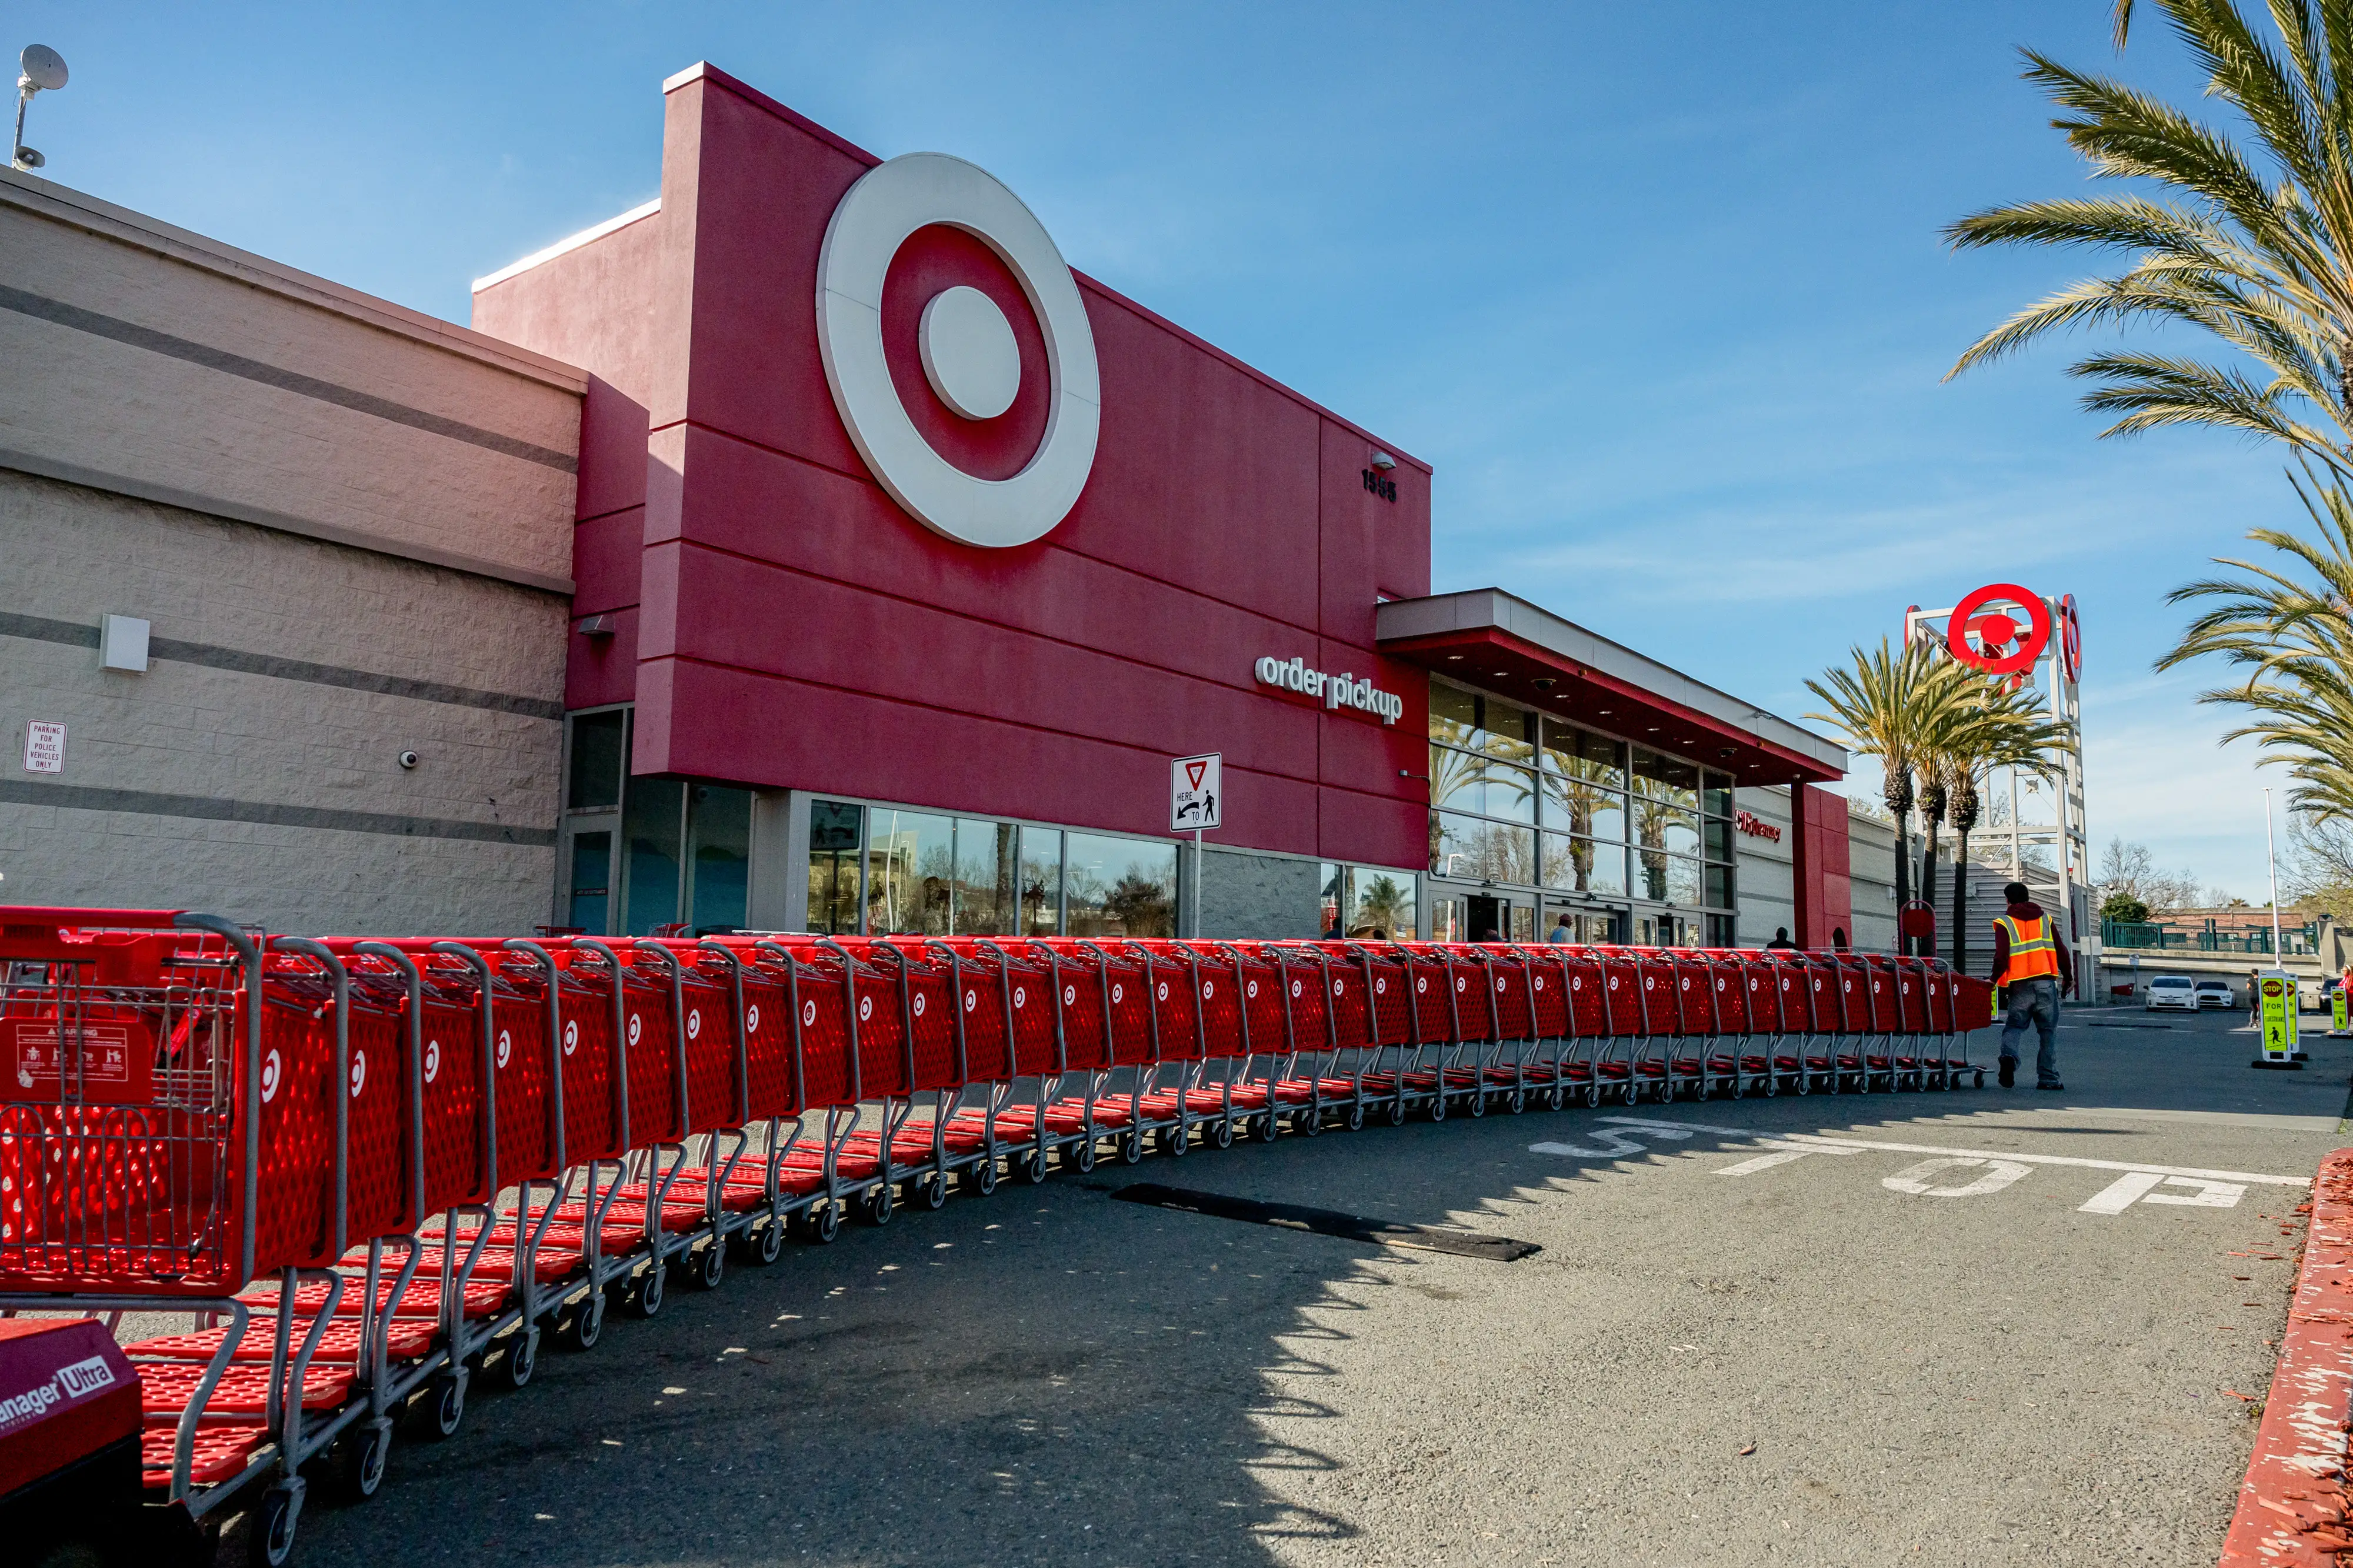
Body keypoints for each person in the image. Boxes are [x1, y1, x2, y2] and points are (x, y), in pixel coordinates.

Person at [1990, 880, 2072, 1090]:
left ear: (2007, 900)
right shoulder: (2046, 919)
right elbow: (2061, 950)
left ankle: (2009, 1057)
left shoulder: (2004, 922)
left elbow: (2001, 957)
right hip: (2046, 983)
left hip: (2019, 986)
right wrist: (2069, 977)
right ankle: (2049, 1079)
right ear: (2027, 897)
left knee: (2015, 1026)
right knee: (2048, 1033)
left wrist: (1993, 980)